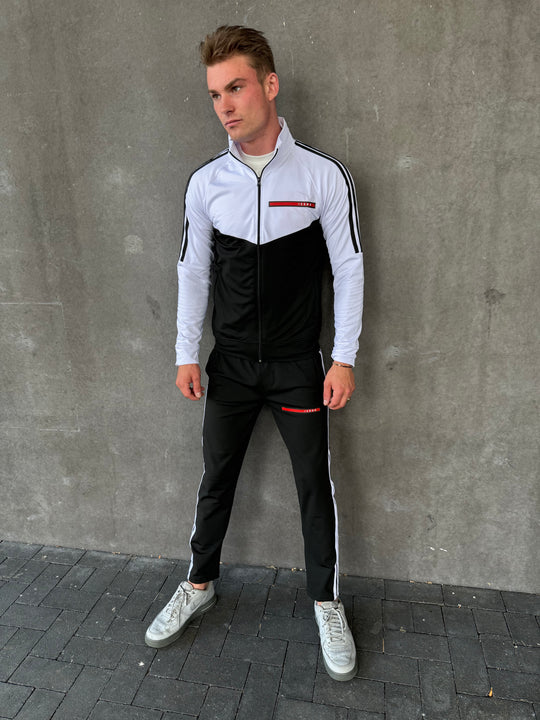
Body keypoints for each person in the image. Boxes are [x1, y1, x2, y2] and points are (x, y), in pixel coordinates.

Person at [145, 25, 364, 682]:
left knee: (313, 485)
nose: (225, 106)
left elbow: (349, 267)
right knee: (216, 478)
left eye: (235, 88)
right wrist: (186, 353)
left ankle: (326, 601)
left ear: (269, 85)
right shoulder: (206, 183)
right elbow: (192, 271)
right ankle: (199, 583)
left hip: (299, 366)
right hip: (232, 365)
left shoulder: (323, 176)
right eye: (215, 94)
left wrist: (344, 357)